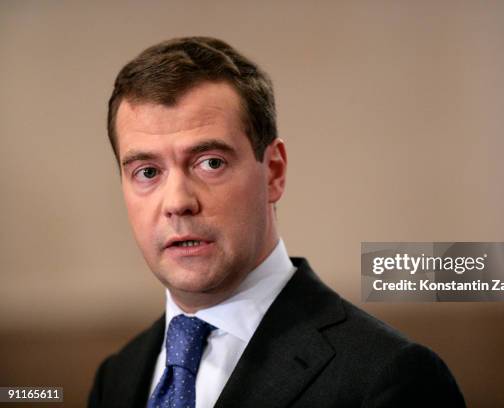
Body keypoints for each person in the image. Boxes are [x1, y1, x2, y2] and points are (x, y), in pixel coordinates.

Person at [88, 36, 465, 408]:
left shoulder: (392, 378)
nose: (178, 202)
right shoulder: (116, 379)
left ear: (273, 171)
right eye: (147, 171)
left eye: (211, 163)